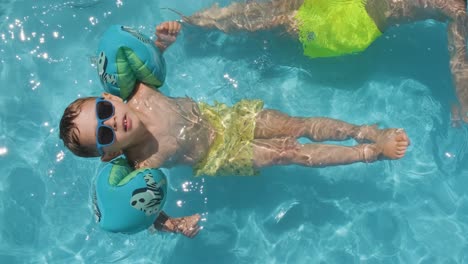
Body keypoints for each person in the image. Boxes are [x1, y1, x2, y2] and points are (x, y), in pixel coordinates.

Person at [60, 21, 409, 238]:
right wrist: (174, 224)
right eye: (104, 133)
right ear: (109, 152)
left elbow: (153, 59)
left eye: (104, 110)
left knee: (296, 123)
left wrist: (162, 42)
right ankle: (367, 154)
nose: (112, 122)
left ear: (108, 96)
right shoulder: (142, 163)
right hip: (223, 155)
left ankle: (367, 131)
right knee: (292, 152)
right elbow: (144, 208)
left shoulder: (139, 90)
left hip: (227, 117)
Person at [180, 0, 468, 126]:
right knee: (273, 13)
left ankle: (197, 25)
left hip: (350, 23)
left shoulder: (453, 7)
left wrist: (460, 99)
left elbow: (460, 58)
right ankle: (199, 24)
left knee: (275, 21)